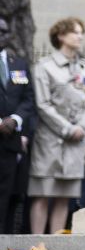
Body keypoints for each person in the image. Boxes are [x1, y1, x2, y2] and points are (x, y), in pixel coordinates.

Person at [28, 16, 85, 234]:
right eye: (75, 32)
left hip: (77, 141)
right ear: (61, 36)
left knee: (64, 196)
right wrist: (67, 128)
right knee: (43, 192)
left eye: (81, 32)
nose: (80, 36)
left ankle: (55, 243)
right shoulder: (45, 66)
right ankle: (36, 241)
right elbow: (43, 104)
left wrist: (82, 128)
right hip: (51, 139)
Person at [0, 13, 33, 234]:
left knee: (5, 192)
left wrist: (15, 119)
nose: (0, 35)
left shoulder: (18, 64)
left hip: (9, 141)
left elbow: (29, 98)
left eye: (3, 31)